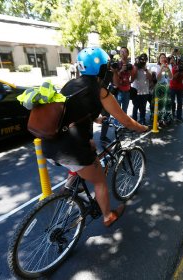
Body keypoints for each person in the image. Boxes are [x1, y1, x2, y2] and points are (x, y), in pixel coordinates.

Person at [41, 47, 148, 227]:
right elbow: (126, 120)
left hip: (50, 145)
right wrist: (141, 127)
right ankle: (107, 216)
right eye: (107, 66)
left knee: (90, 149)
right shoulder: (101, 92)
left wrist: (96, 118)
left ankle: (70, 187)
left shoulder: (70, 85)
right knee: (99, 180)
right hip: (70, 149)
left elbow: (71, 110)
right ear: (101, 69)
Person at [150, 53, 173, 126]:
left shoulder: (169, 66)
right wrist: (161, 68)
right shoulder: (156, 67)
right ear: (159, 60)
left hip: (166, 88)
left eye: (164, 57)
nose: (163, 59)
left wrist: (168, 69)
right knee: (158, 104)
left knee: (166, 104)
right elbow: (158, 78)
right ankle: (157, 119)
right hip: (159, 88)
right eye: (161, 58)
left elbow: (171, 78)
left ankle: (165, 119)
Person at [112, 46, 135, 115]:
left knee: (125, 110)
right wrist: (121, 70)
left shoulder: (130, 65)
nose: (123, 53)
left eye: (124, 52)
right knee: (117, 110)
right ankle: (116, 124)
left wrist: (131, 71)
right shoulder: (116, 64)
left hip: (127, 90)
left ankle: (123, 124)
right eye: (121, 51)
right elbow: (114, 78)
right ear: (119, 54)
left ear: (128, 54)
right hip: (119, 90)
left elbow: (132, 78)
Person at [132, 53, 152, 125]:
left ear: (146, 60)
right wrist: (136, 67)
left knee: (143, 107)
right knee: (135, 107)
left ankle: (142, 120)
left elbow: (150, 78)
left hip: (145, 91)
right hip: (136, 91)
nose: (143, 61)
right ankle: (134, 121)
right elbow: (132, 78)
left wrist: (145, 69)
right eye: (141, 59)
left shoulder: (148, 67)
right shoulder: (135, 67)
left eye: (144, 59)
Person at [169, 56, 183, 123]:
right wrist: (178, 71)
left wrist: (182, 72)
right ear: (179, 62)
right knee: (172, 102)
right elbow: (173, 78)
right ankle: (172, 115)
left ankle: (179, 117)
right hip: (173, 87)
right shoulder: (175, 67)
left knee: (180, 103)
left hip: (181, 88)